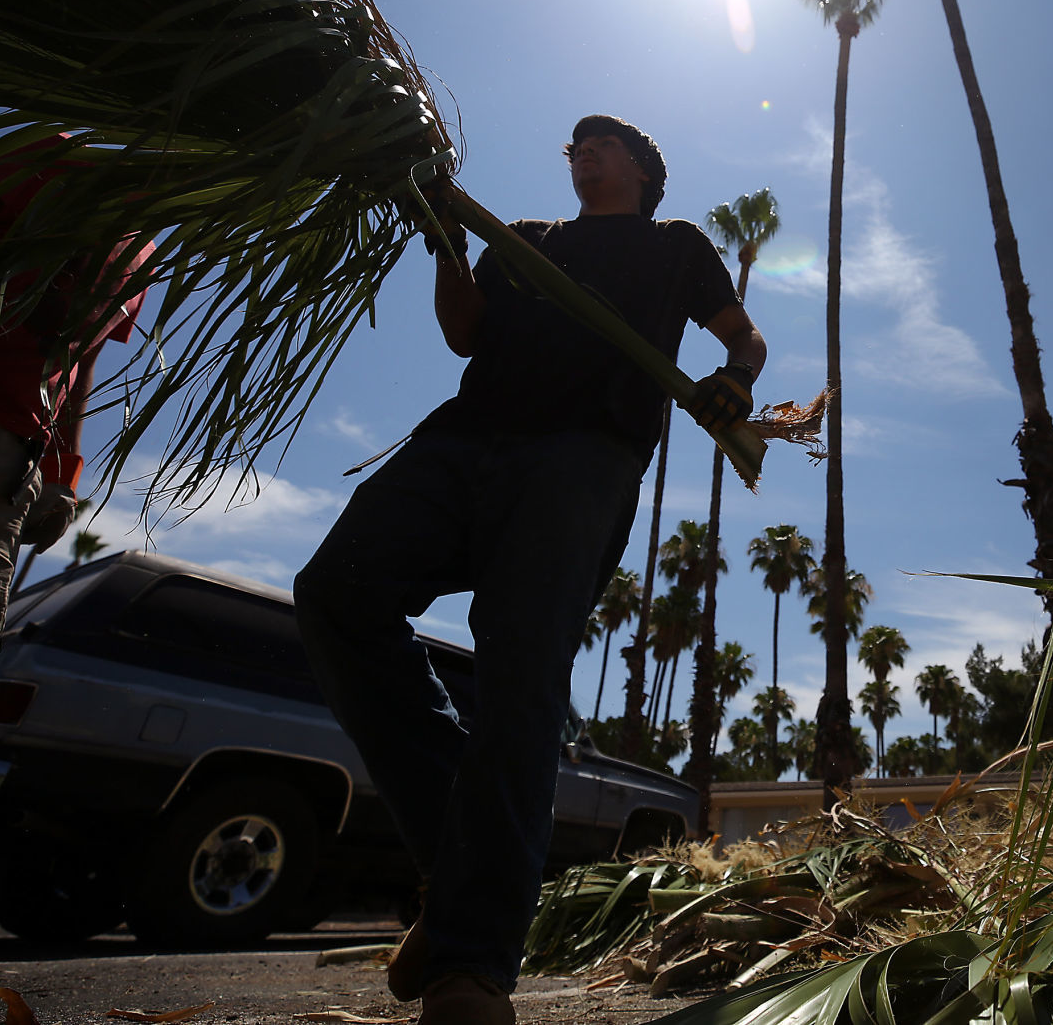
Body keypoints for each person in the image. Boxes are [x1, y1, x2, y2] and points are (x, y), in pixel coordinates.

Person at [293, 115, 765, 1025]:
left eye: (601, 146)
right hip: (463, 441)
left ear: (641, 167)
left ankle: (469, 968)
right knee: (337, 592)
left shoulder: (676, 246)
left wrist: (735, 383)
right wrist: (444, 240)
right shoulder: (529, 240)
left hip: (582, 460)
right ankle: (456, 859)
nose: (581, 155)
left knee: (520, 673)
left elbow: (744, 339)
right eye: (573, 148)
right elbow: (467, 333)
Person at [0, 137, 151, 709]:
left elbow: (79, 362)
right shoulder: (54, 156)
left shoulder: (143, 247)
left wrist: (64, 476)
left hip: (7, 464)